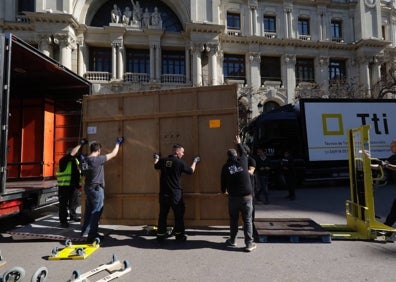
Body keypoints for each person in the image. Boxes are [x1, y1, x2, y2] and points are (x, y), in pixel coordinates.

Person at [81, 137, 124, 243]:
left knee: (89, 211)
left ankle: (85, 232)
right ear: (99, 150)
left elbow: (82, 172)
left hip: (88, 187)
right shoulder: (97, 160)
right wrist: (117, 143)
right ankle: (92, 235)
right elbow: (113, 154)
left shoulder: (84, 160)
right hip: (96, 189)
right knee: (96, 212)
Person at [154, 144, 200, 242]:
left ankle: (160, 235)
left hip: (164, 194)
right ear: (177, 152)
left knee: (162, 215)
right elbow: (191, 171)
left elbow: (155, 166)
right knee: (178, 216)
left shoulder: (163, 161)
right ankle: (179, 236)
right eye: (182, 152)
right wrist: (195, 161)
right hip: (175, 194)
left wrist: (157, 158)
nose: (183, 154)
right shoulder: (180, 163)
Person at [221, 135, 256, 252]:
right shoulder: (243, 160)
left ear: (228, 156)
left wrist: (223, 191)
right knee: (247, 220)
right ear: (236, 155)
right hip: (246, 197)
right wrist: (239, 143)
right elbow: (243, 152)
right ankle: (249, 244)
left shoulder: (225, 167)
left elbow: (223, 182)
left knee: (234, 220)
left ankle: (233, 240)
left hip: (233, 197)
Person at [57, 139, 87, 228]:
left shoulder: (76, 161)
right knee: (63, 205)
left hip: (74, 186)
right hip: (64, 186)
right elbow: (72, 154)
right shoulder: (63, 160)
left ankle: (73, 216)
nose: (76, 154)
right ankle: (63, 221)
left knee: (74, 203)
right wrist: (80, 144)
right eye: (74, 153)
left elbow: (80, 172)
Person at [383, 140, 396, 227]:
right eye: (390, 147)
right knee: (395, 209)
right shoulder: (393, 157)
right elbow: (382, 165)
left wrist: (386, 165)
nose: (391, 148)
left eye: (393, 146)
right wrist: (368, 164)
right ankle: (387, 226)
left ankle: (387, 226)